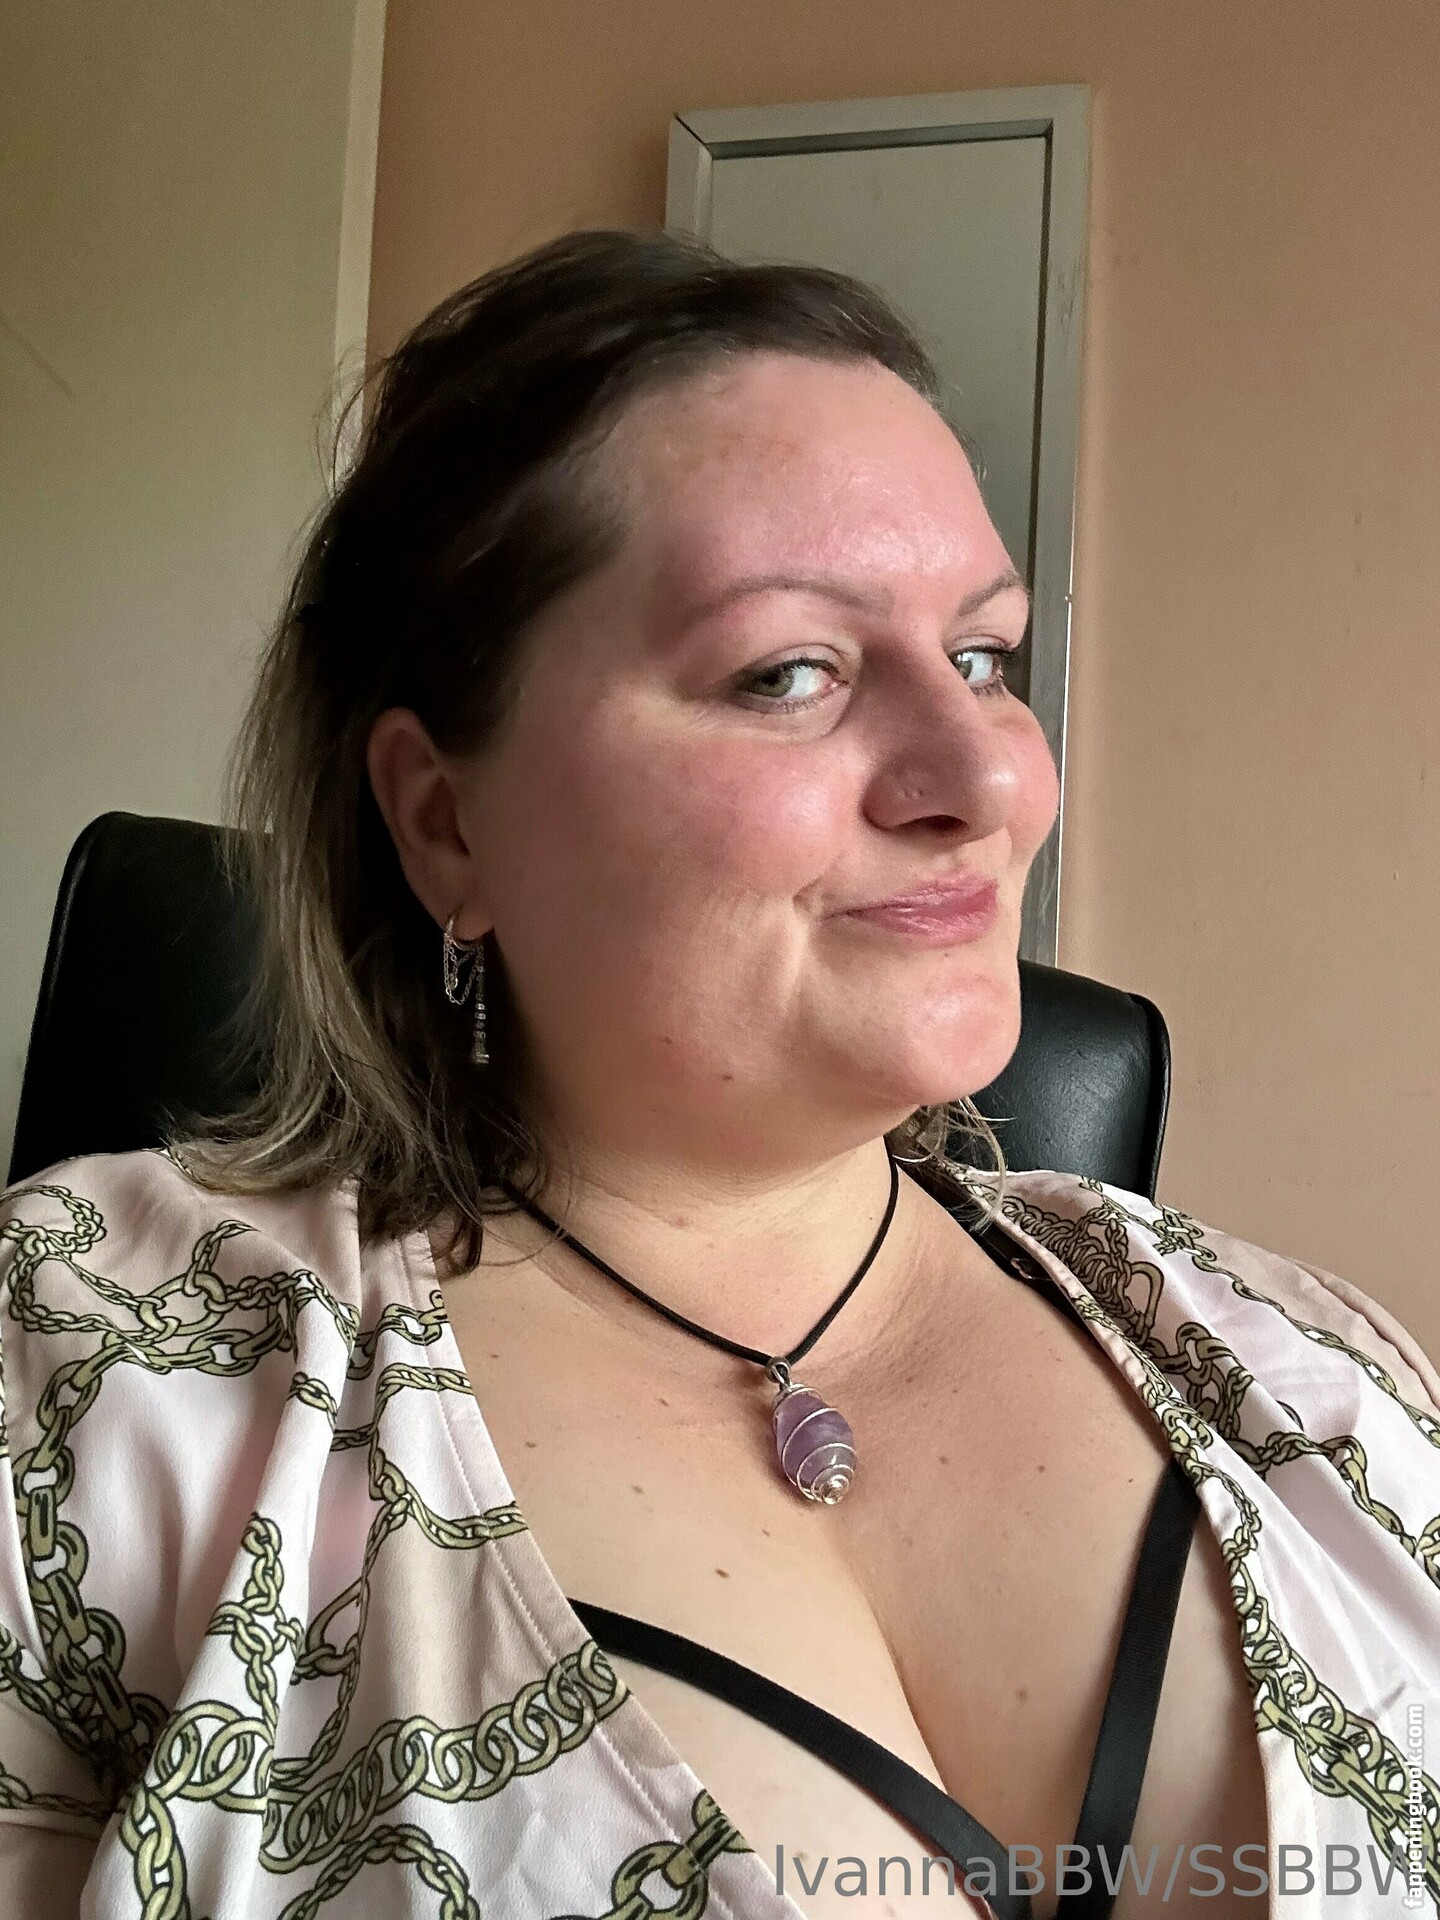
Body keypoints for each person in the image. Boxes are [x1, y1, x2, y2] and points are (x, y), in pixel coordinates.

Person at [1, 230, 1436, 1920]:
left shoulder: (1316, 1371)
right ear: (445, 821)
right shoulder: (95, 1376)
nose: (985, 777)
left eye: (985, 657)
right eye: (788, 673)